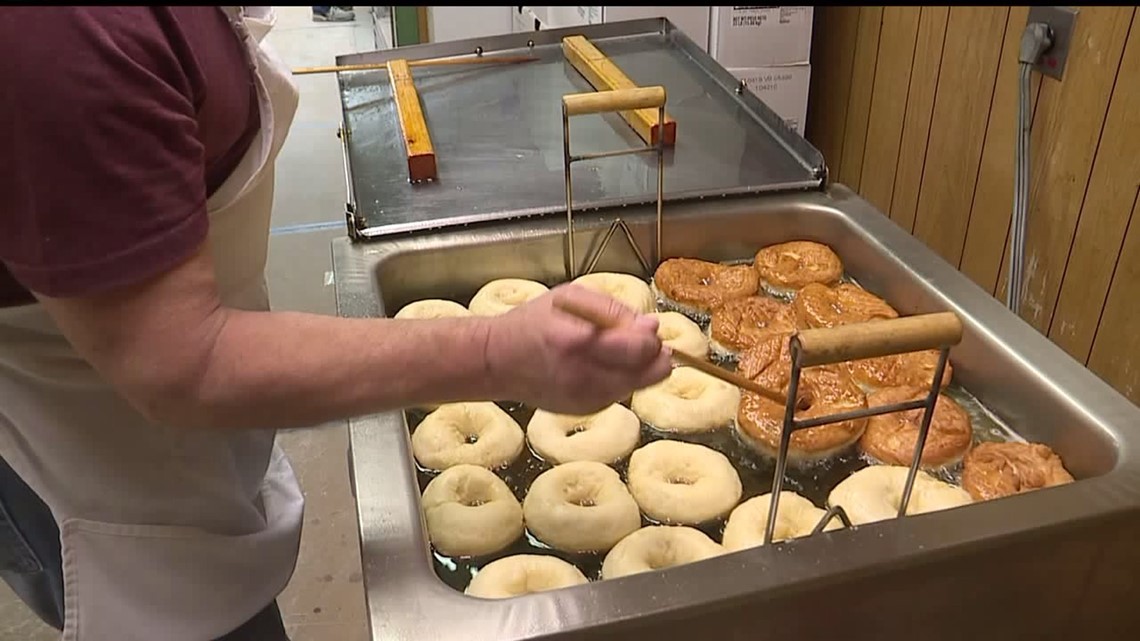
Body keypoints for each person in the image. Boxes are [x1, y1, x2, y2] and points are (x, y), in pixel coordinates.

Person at [0, 6, 670, 641]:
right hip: (96, 489)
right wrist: (496, 353)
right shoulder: (63, 38)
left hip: (184, 439)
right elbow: (183, 361)